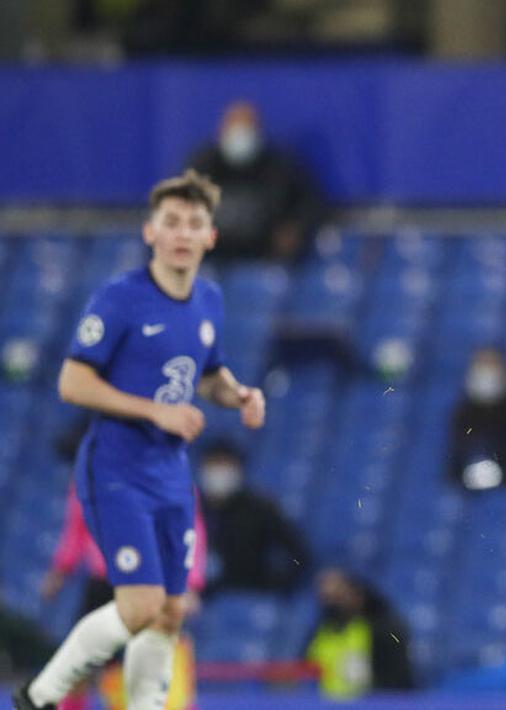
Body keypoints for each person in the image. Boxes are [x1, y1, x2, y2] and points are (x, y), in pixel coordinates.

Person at [13, 169, 267, 710]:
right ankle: (38, 697)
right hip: (117, 467)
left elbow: (208, 376)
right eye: (170, 222)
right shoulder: (120, 298)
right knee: (140, 604)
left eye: (193, 223)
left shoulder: (209, 302)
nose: (181, 232)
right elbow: (72, 382)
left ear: (210, 237)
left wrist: (240, 394)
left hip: (171, 473)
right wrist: (156, 410)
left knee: (171, 612)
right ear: (150, 232)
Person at [41, 480, 209, 710]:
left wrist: (189, 582)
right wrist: (61, 569)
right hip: (105, 581)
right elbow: (77, 526)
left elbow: (188, 529)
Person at [188, 100, 323, 263]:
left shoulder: (280, 167)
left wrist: (295, 228)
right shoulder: (203, 165)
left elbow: (309, 204)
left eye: (246, 128)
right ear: (222, 130)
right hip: (214, 256)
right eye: (235, 127)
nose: (240, 135)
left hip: (265, 256)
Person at [199, 440, 311, 594]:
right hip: (198, 598)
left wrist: (273, 587)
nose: (218, 471)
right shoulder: (191, 507)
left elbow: (298, 553)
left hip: (247, 593)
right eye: (214, 463)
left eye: (225, 464)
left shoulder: (259, 508)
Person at [305, 568, 414, 700]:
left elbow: (396, 677)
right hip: (327, 702)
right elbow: (307, 668)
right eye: (327, 597)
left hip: (371, 702)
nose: (333, 601)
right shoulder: (320, 630)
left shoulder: (381, 629)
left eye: (339, 595)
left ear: (358, 595)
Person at [447, 347, 506, 491]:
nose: (485, 377)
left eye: (490, 370)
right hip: (468, 492)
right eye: (481, 370)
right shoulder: (463, 414)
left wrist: (500, 474)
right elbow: (454, 461)